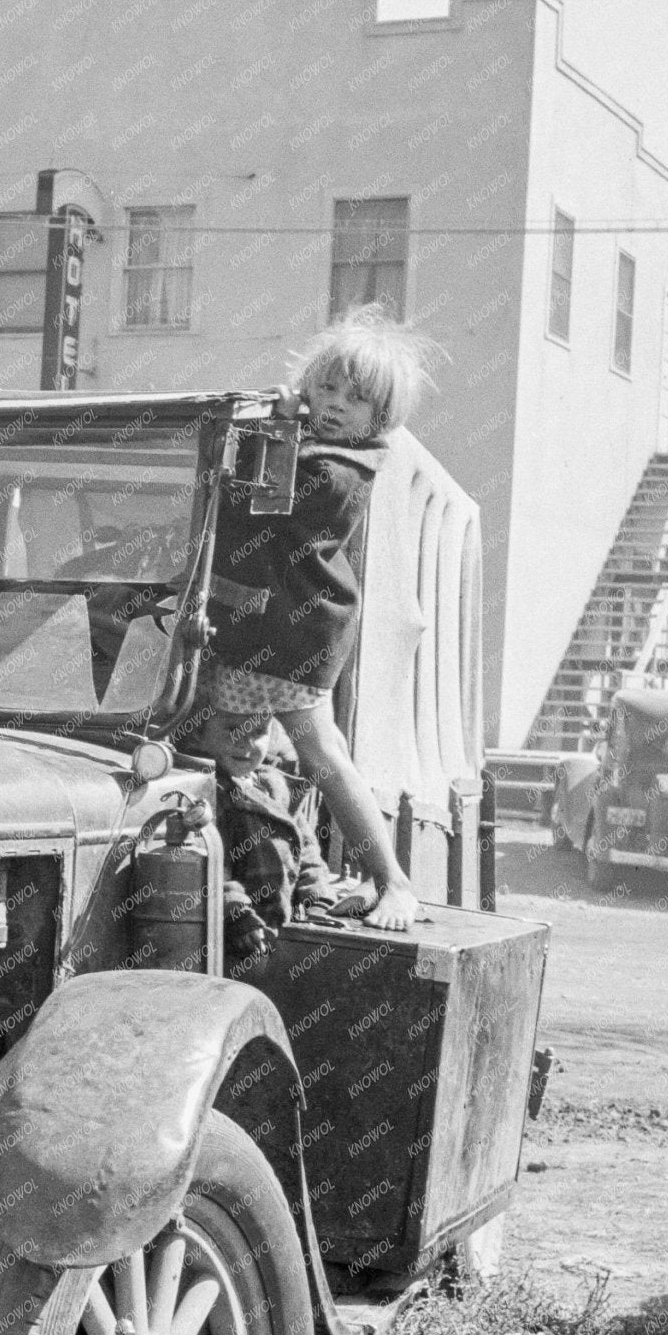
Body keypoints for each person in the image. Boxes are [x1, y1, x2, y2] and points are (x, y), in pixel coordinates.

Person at [205, 307, 443, 930]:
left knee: (311, 753)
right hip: (285, 627)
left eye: (357, 400)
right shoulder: (323, 454)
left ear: (380, 418)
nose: (336, 405)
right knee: (278, 752)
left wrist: (277, 430)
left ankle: (390, 881)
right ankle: (301, 872)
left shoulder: (330, 471)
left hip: (285, 635)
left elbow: (244, 509)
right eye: (328, 387)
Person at [190, 704, 356, 972]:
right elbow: (210, 868)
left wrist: (318, 900)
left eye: (258, 732)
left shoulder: (277, 788)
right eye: (232, 730)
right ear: (199, 733)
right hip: (234, 939)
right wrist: (237, 916)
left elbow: (307, 851)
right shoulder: (207, 794)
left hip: (280, 931)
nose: (246, 743)